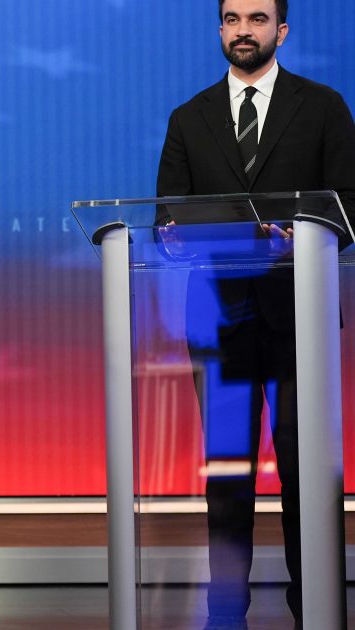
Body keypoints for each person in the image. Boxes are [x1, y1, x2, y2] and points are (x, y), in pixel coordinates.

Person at [155, 1, 355, 627]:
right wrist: (175, 234)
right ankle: (224, 611)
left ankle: (315, 607)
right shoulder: (189, 117)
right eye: (233, 18)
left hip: (300, 317)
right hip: (219, 321)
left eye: (258, 18)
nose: (244, 29)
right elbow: (166, 218)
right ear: (221, 29)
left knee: (306, 473)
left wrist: (303, 236)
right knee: (228, 476)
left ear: (281, 31)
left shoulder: (322, 107)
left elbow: (349, 207)